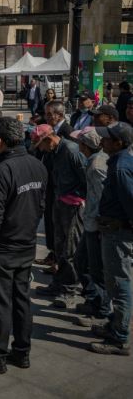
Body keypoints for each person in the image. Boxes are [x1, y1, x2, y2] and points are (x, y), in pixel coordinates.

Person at [0, 117, 48, 374]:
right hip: (26, 243)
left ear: (0, 141)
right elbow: (41, 204)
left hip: (3, 247)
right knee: (22, 300)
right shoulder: (37, 165)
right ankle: (22, 351)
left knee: (0, 302)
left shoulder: (3, 170)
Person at [89, 122, 133, 356]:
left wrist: (122, 224)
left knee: (120, 283)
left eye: (107, 139)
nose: (102, 141)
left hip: (118, 234)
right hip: (111, 230)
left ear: (119, 143)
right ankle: (115, 325)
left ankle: (120, 337)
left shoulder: (121, 168)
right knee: (113, 281)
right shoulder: (117, 161)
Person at [32, 123, 87, 309]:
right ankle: (58, 283)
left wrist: (79, 199)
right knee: (59, 246)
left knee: (71, 249)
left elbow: (86, 178)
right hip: (59, 201)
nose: (41, 149)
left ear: (49, 139)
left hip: (73, 205)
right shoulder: (53, 153)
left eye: (41, 145)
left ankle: (69, 288)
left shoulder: (71, 150)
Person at [72, 128, 111, 328]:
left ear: (85, 146)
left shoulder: (96, 165)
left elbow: (101, 197)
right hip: (91, 222)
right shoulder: (94, 160)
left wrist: (96, 221)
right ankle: (94, 299)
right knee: (81, 262)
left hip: (95, 225)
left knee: (96, 269)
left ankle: (102, 310)